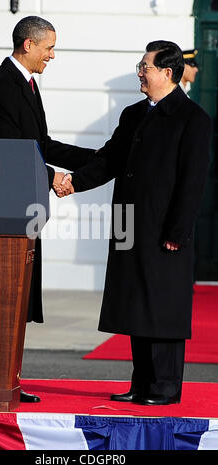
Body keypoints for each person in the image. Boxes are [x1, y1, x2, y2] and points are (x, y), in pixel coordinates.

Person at [58, 41, 211, 405]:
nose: (139, 72)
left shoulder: (193, 119)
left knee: (163, 306)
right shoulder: (133, 114)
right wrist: (73, 183)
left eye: (145, 67)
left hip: (163, 230)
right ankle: (141, 383)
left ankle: (164, 387)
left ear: (167, 73)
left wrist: (177, 231)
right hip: (129, 224)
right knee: (135, 304)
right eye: (140, 66)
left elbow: (193, 182)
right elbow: (109, 161)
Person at [0, 16, 95, 402]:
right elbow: (7, 153)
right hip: (6, 213)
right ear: (29, 44)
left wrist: (99, 160)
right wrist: (53, 176)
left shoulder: (25, 83)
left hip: (22, 210)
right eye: (49, 48)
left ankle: (8, 379)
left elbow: (40, 143)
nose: (52, 55)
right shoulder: (1, 86)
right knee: (6, 299)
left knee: (18, 299)